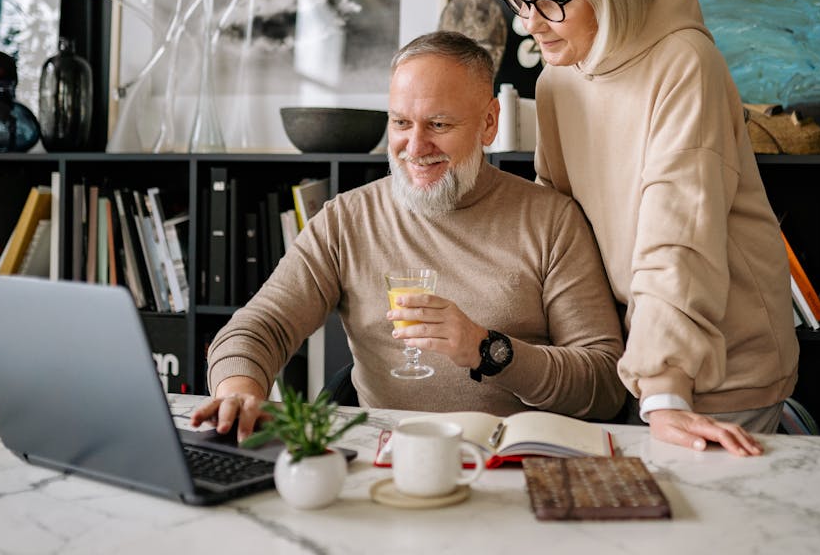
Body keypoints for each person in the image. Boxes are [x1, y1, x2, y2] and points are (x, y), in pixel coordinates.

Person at [193, 32, 625, 440]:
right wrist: (238, 390)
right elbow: (260, 325)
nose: (415, 147)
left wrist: (486, 350)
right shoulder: (346, 219)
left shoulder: (551, 221)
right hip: (383, 456)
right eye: (401, 122)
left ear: (489, 123)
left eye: (438, 125)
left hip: (508, 460)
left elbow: (604, 384)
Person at [503, 0, 799, 456]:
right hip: (633, 357)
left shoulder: (685, 63)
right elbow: (559, 222)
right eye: (522, 1)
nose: (532, 25)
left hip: (720, 364)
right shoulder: (557, 82)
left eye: (553, 2)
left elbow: (678, 232)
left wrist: (663, 389)